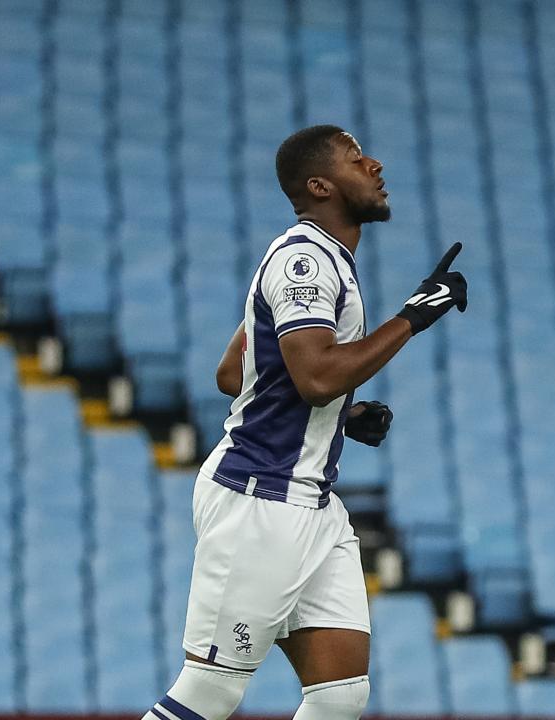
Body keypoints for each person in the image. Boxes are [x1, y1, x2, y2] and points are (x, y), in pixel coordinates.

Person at [141, 125, 467, 720]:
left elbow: (233, 371)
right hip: (260, 496)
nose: (374, 164)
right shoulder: (304, 262)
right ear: (320, 186)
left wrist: (340, 417)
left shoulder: (319, 258)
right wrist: (414, 316)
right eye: (354, 158)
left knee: (340, 696)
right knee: (210, 691)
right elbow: (315, 377)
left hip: (309, 503)